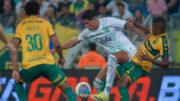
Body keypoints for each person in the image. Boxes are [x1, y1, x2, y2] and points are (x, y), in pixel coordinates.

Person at [51, 10, 137, 101]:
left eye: (88, 23)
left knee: (112, 57)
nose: (86, 26)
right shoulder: (88, 31)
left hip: (129, 52)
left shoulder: (108, 21)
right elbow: (72, 43)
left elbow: (128, 25)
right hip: (117, 60)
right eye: (85, 24)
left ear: (95, 19)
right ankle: (102, 97)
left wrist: (133, 24)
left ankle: (106, 93)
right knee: (97, 82)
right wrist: (53, 50)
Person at [11, 1, 77, 101]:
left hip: (30, 66)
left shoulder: (20, 26)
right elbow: (57, 45)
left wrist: (15, 70)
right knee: (67, 88)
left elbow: (13, 48)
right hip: (47, 64)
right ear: (38, 12)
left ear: (25, 12)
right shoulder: (46, 23)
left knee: (17, 81)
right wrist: (62, 58)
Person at [97, 17, 169, 101]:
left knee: (122, 84)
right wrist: (135, 23)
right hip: (133, 61)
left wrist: (149, 59)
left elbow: (166, 65)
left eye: (155, 29)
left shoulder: (163, 43)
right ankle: (102, 98)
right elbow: (146, 29)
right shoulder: (155, 31)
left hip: (141, 67)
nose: (152, 30)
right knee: (110, 75)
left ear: (161, 29)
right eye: (152, 27)